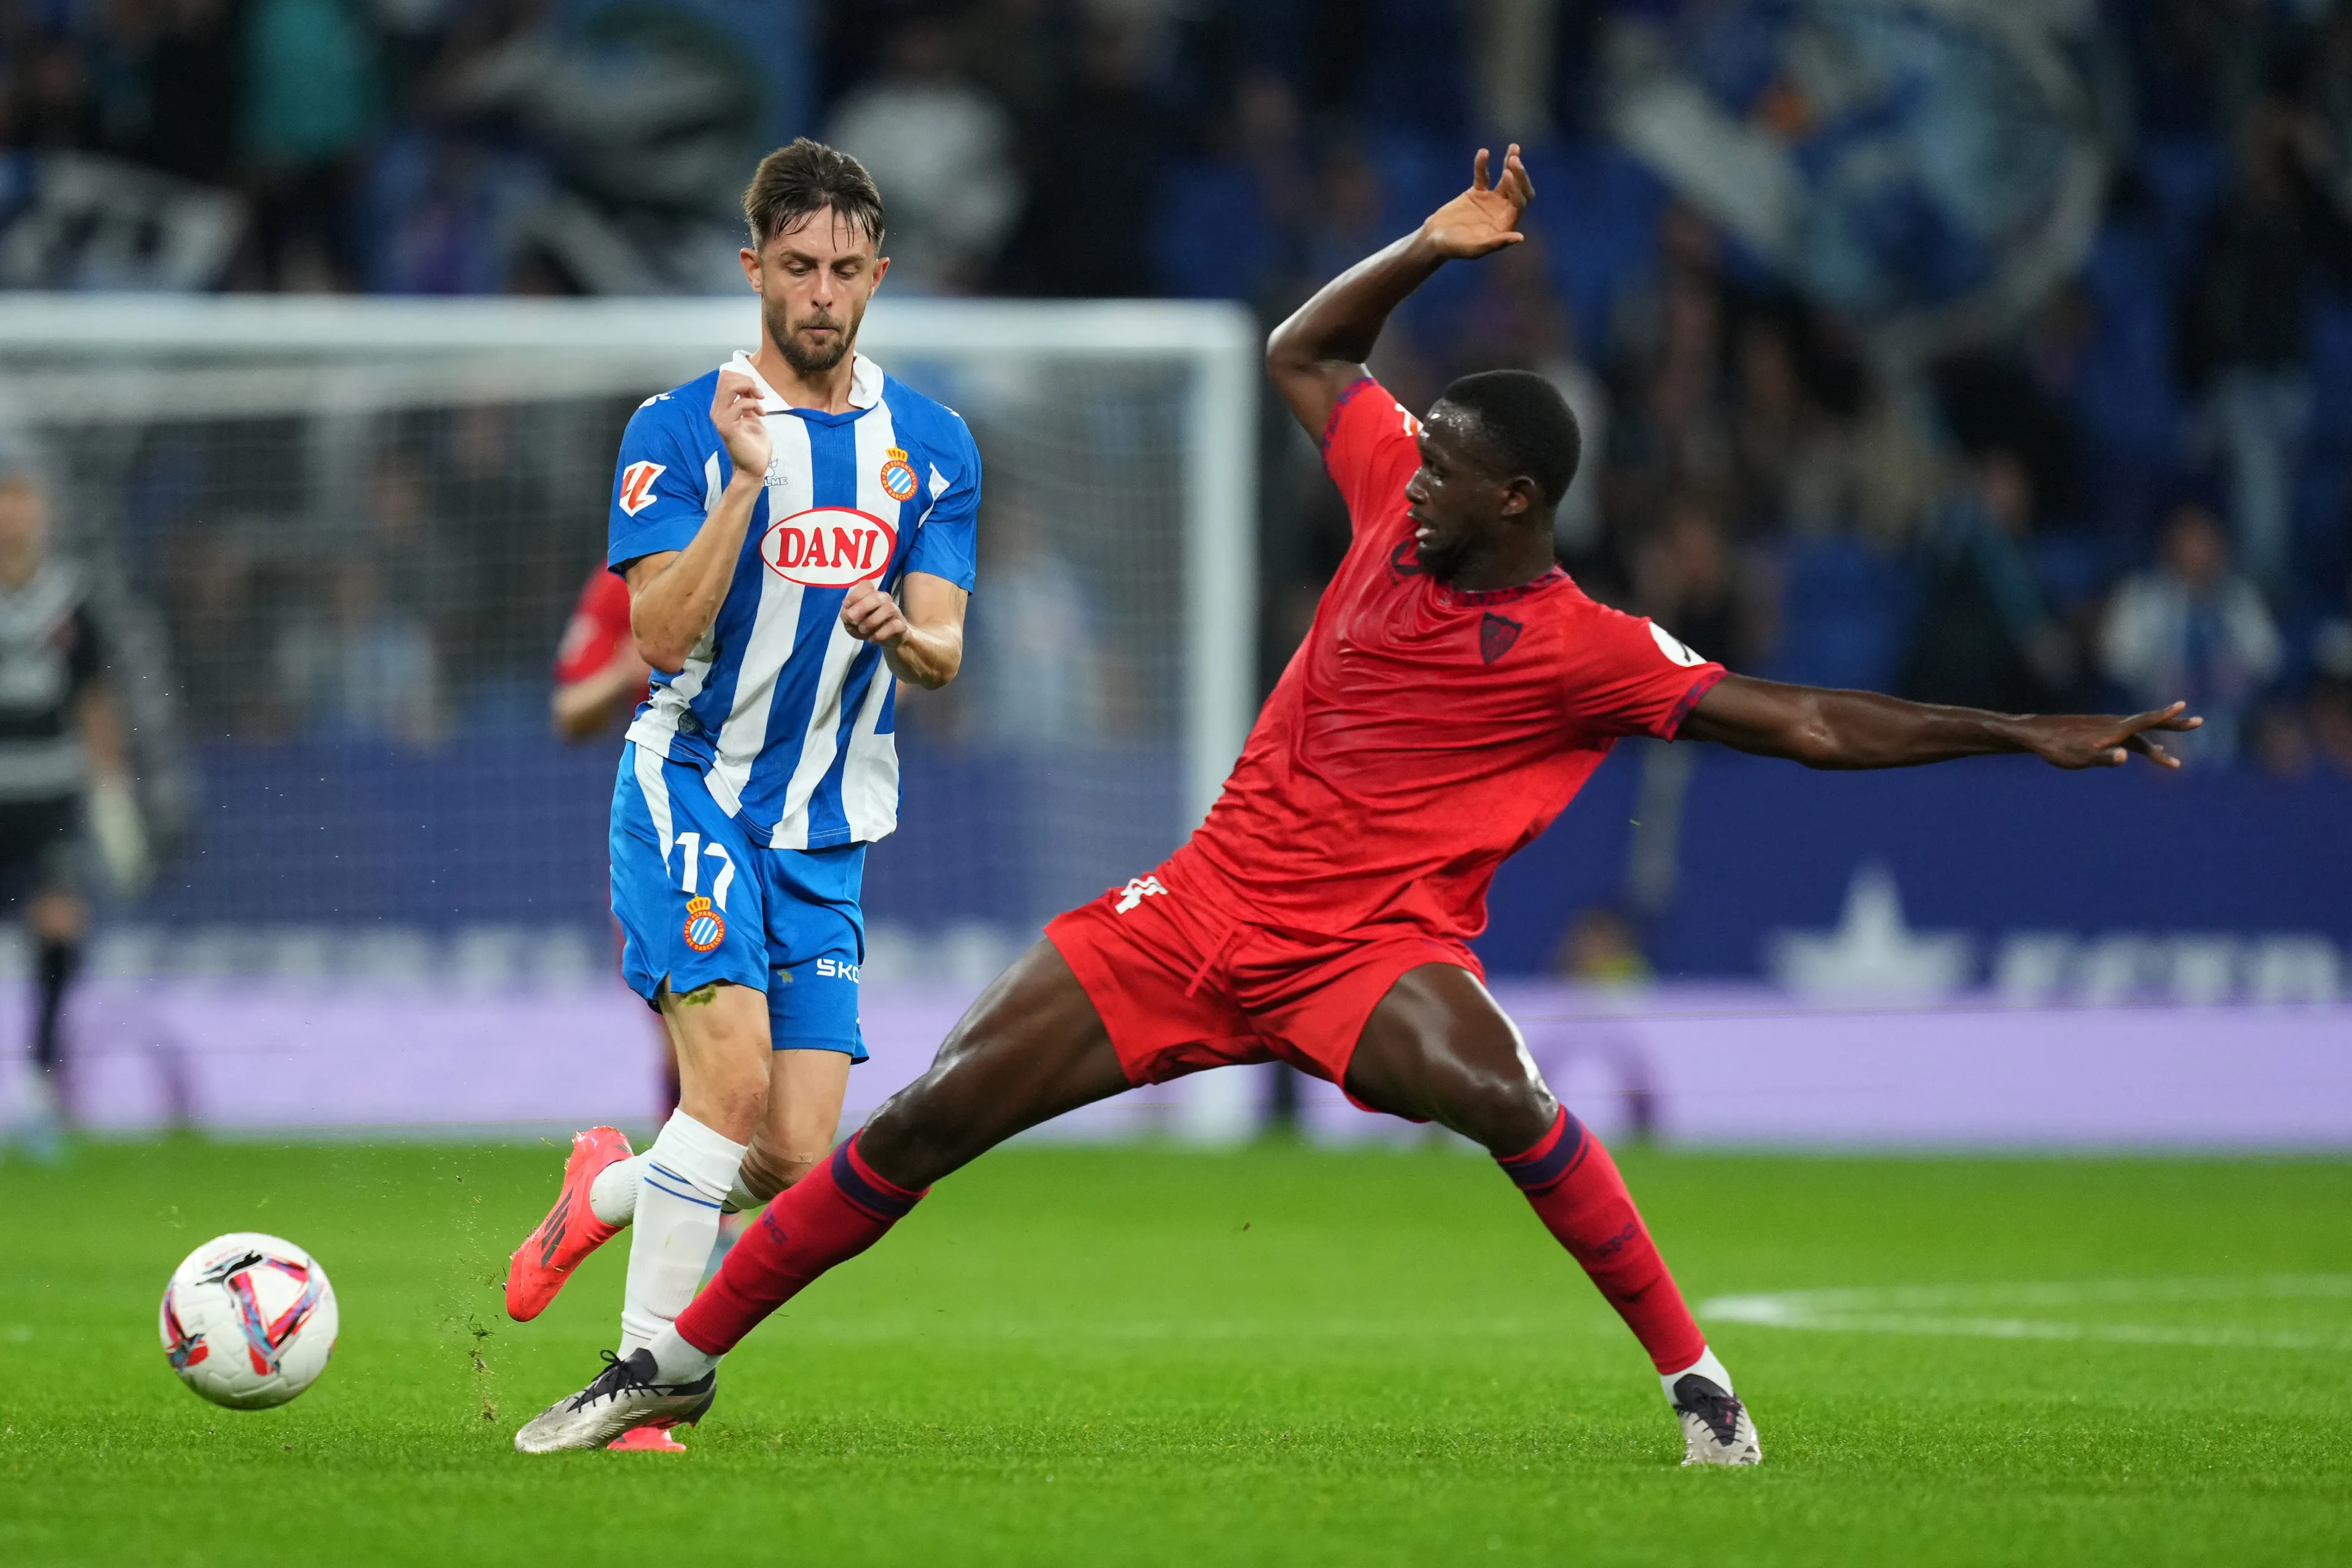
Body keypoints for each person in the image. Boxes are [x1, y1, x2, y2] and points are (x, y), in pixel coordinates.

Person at [513, 147, 2198, 1465]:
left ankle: (1696, 1385)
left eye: (1448, 475)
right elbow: (1304, 351)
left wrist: (2019, 729)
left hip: (1366, 955)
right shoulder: (1398, 479)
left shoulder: (1584, 648)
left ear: (1517, 502)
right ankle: (665, 1366)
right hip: (1192, 916)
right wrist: (1429, 245)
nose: (1410, 485)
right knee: (916, 1124)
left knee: (1501, 1096)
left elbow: (1813, 721)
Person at [502, 139, 980, 1451]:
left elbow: (943, 653)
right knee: (721, 1093)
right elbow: (655, 636)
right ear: (753, 267)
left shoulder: (931, 447)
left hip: (826, 830)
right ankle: (645, 1383)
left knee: (794, 1152)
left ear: (878, 276)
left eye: (845, 269)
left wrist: (900, 632)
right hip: (691, 789)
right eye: (798, 266)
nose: (822, 292)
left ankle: (605, 1191)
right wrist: (748, 487)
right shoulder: (676, 430)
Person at [0, 472, 147, 1161]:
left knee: (60, 928)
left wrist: (112, 795)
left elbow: (94, 698)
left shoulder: (68, 597)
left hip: (51, 793)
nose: (17, 517)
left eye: (25, 502)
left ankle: (39, 1090)